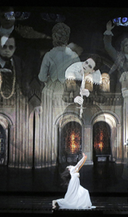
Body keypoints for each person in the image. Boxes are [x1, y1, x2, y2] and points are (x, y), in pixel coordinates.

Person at [36, 22, 80, 167]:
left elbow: (42, 77)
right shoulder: (74, 55)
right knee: (68, 124)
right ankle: (67, 155)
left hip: (51, 92)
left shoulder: (49, 55)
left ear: (55, 37)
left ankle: (51, 158)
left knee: (50, 126)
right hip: (69, 93)